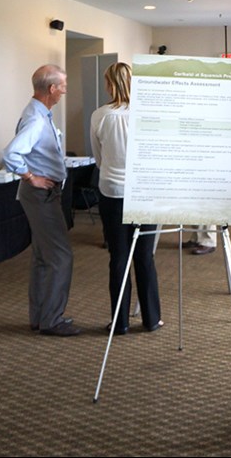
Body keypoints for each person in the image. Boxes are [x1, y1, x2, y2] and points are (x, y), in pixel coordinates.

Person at [3, 64, 80, 337]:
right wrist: (29, 176)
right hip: (41, 194)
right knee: (60, 256)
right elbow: (11, 153)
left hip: (42, 195)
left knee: (42, 257)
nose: (65, 90)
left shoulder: (39, 113)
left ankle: (40, 317)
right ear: (51, 89)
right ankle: (51, 320)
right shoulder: (36, 119)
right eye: (63, 85)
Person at [90, 62, 162, 335]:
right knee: (144, 257)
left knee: (118, 257)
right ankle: (151, 319)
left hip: (111, 192)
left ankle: (119, 322)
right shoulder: (149, 114)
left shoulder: (100, 115)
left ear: (110, 84)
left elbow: (98, 157)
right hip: (145, 193)